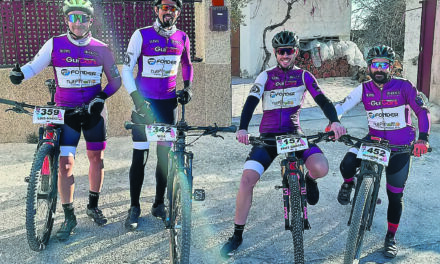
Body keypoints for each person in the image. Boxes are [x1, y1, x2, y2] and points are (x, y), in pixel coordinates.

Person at [220, 30, 346, 258]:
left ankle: (308, 180)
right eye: (281, 51)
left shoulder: (305, 76)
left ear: (296, 52)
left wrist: (335, 122)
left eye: (289, 51)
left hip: (294, 134)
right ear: (275, 53)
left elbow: (323, 100)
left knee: (321, 167)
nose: (285, 55)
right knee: (247, 180)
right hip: (268, 137)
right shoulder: (266, 76)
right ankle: (237, 235)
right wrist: (243, 128)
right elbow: (250, 102)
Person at [8, 0, 122, 241]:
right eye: (73, 18)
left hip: (93, 112)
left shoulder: (102, 48)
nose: (77, 23)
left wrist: (101, 97)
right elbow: (33, 66)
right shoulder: (55, 43)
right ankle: (69, 216)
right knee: (65, 164)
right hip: (66, 112)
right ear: (67, 20)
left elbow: (115, 81)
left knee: (96, 159)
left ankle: (92, 205)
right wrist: (20, 74)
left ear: (91, 20)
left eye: (83, 18)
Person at [334, 45, 431, 258]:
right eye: (375, 65)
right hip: (374, 140)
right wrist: (334, 122)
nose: (379, 69)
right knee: (347, 164)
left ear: (391, 67)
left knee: (394, 196)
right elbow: (341, 106)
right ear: (369, 67)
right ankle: (349, 183)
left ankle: (390, 237)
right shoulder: (364, 88)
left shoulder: (404, 86)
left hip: (401, 145)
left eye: (384, 65)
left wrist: (422, 138)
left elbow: (422, 112)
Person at [121, 0, 193, 230]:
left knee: (164, 157)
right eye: (164, 8)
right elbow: (126, 69)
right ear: (156, 10)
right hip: (145, 106)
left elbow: (187, 64)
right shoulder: (141, 35)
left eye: (172, 9)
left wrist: (188, 87)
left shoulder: (182, 37)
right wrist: (137, 100)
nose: (168, 12)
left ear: (178, 13)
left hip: (167, 105)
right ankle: (134, 207)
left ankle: (159, 204)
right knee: (140, 157)